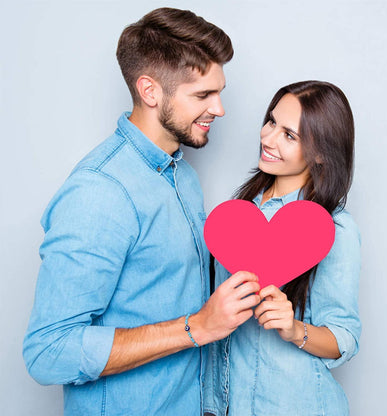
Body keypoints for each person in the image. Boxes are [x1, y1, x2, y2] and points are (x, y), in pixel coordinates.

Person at [23, 8, 260, 416]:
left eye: (219, 92)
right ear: (150, 91)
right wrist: (197, 327)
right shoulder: (100, 192)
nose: (219, 109)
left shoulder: (181, 174)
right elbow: (48, 351)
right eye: (203, 95)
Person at [204, 81, 361, 416]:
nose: (268, 137)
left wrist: (293, 329)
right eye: (271, 121)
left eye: (289, 135)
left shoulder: (335, 228)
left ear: (320, 152)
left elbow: (345, 338)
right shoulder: (238, 214)